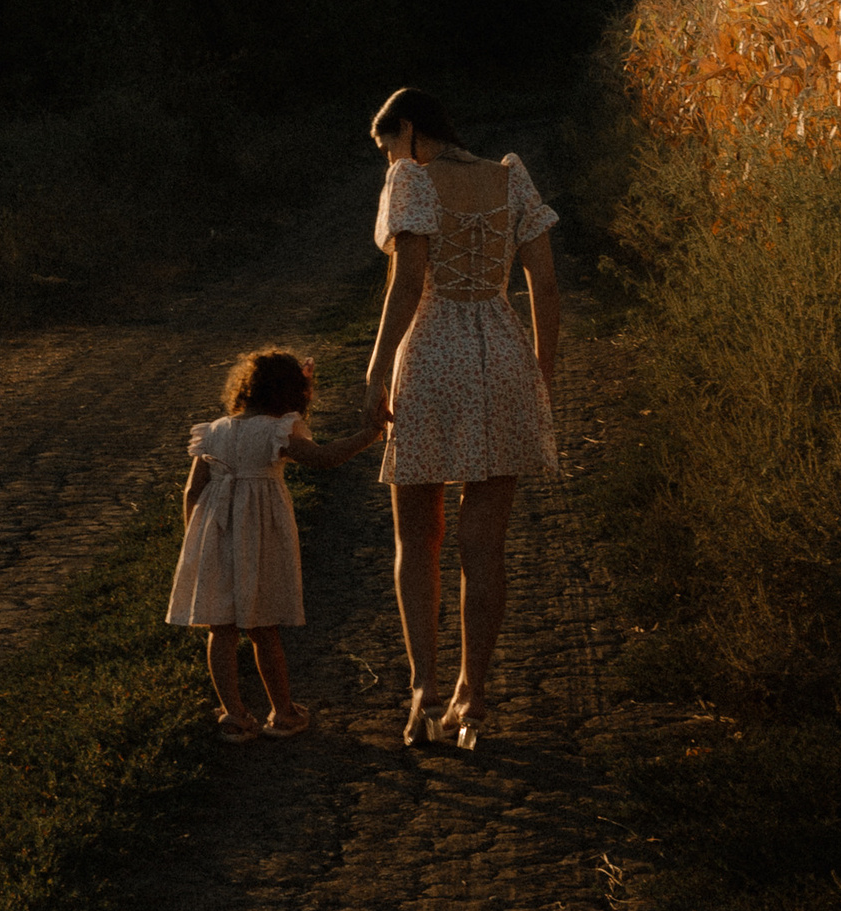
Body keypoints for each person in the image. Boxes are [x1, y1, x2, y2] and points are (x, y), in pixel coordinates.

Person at [361, 87, 559, 748]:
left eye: (389, 144)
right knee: (485, 545)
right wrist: (541, 373)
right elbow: (545, 283)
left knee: (417, 538)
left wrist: (376, 363)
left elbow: (411, 275)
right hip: (502, 357)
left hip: (432, 359)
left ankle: (422, 687)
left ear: (410, 132)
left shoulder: (411, 177)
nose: (390, 158)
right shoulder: (510, 175)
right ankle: (470, 698)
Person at [167, 349, 386, 740]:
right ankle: (282, 713)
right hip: (260, 536)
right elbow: (324, 458)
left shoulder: (214, 430)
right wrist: (369, 435)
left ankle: (234, 715)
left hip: (214, 535)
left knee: (221, 627)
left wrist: (195, 543)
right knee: (263, 626)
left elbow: (191, 492)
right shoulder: (276, 432)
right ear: (290, 393)